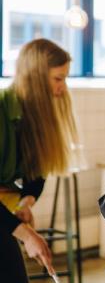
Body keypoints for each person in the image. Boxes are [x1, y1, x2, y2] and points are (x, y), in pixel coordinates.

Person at [1, 38, 79, 282]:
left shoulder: (33, 119)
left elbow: (38, 172)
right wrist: (25, 233)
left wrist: (25, 202)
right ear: (35, 77)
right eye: (58, 78)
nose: (63, 88)